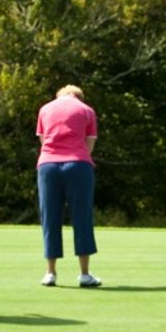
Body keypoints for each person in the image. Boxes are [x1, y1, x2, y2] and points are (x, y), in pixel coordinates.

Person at [35, 85, 100, 288]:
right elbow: (89, 145)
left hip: (48, 165)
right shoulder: (86, 110)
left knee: (50, 217)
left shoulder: (45, 109)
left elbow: (43, 140)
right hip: (78, 164)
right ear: (79, 96)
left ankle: (51, 273)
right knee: (82, 217)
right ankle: (84, 273)